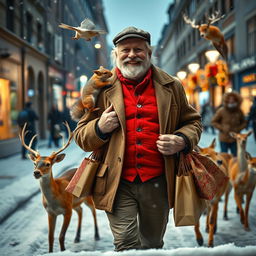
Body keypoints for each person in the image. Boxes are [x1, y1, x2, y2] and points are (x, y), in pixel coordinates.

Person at [73, 27, 202, 251]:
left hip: (158, 181)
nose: (132, 54)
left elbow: (194, 122)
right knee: (125, 243)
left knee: (152, 244)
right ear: (116, 55)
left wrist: (181, 139)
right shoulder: (99, 89)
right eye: (125, 50)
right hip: (116, 181)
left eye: (138, 49)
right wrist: (100, 127)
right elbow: (81, 137)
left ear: (149, 54)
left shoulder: (172, 86)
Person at [211, 91, 247, 156]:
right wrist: (222, 128)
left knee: (235, 156)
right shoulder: (221, 110)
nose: (231, 101)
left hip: (235, 138)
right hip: (224, 138)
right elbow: (213, 121)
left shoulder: (239, 111)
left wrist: (238, 128)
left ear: (236, 100)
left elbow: (244, 122)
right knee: (224, 156)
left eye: (233, 99)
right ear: (226, 100)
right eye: (230, 99)